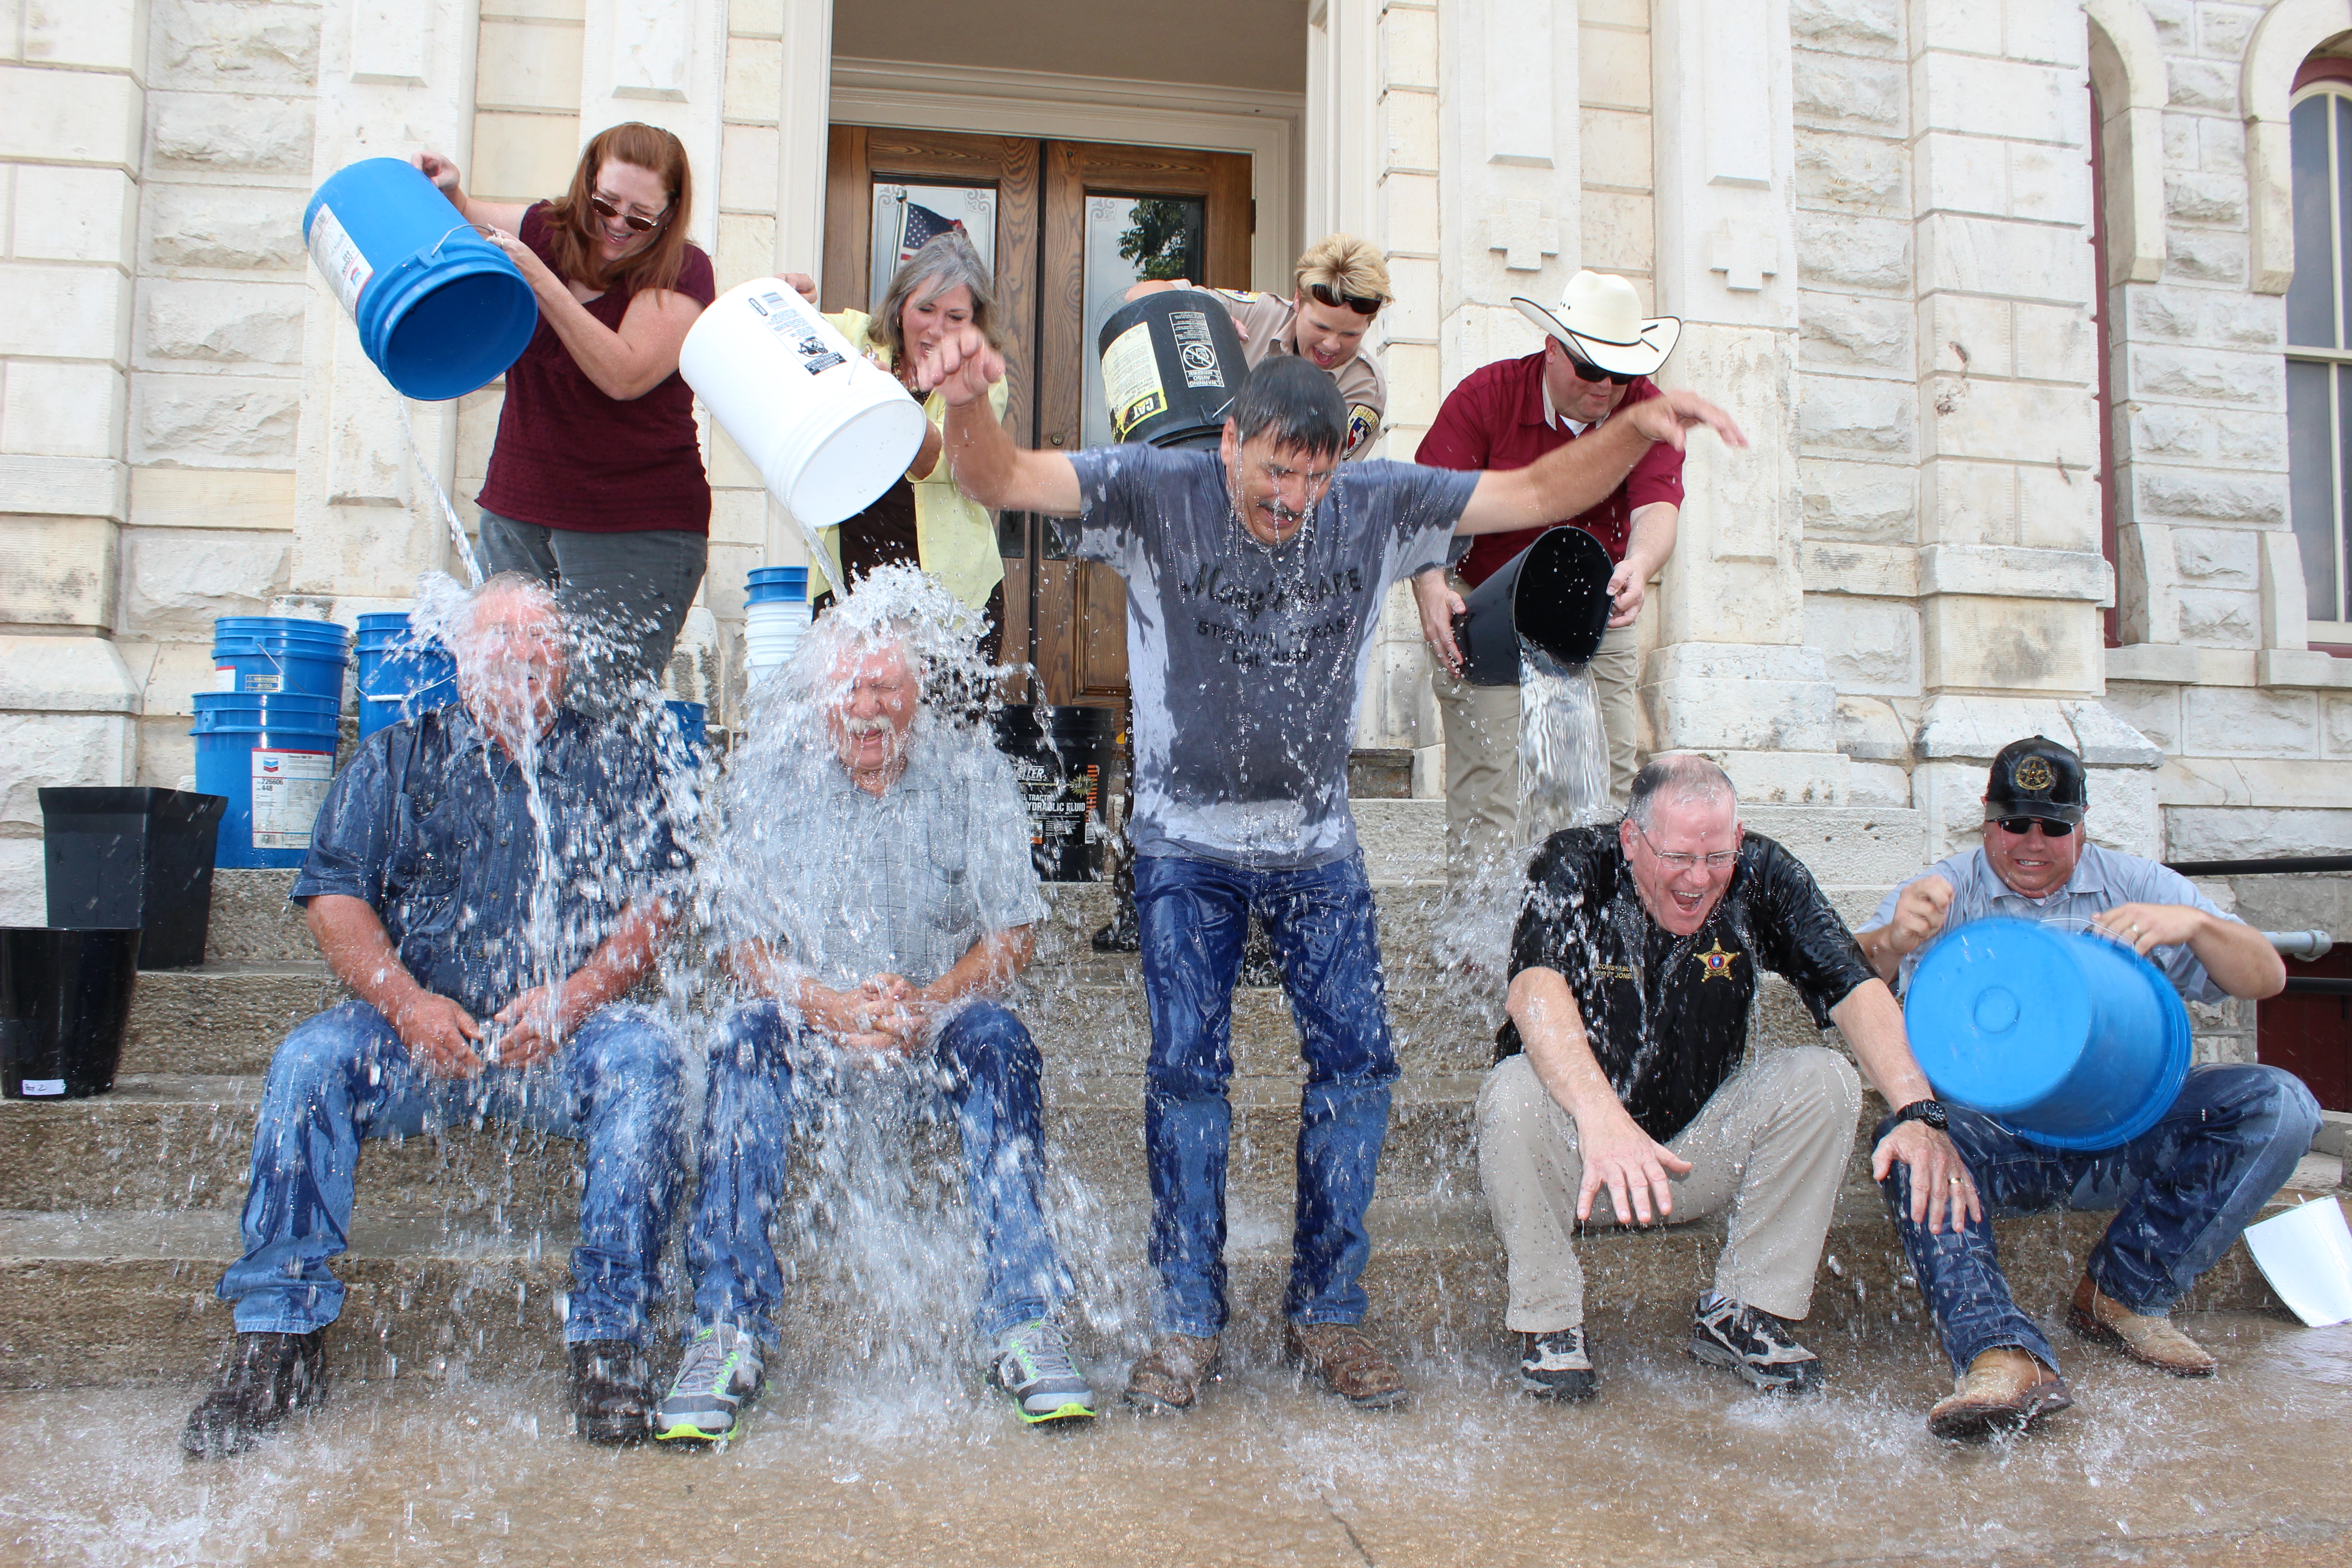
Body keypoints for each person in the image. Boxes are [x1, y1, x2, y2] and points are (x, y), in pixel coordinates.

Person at [919, 315, 1748, 1411]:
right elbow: (1002, 477)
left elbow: (1535, 493)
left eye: (1312, 476)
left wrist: (1638, 425)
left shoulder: (1372, 504)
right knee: (1185, 1077)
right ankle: (1184, 1319)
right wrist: (970, 399)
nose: (1291, 498)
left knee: (1357, 1066)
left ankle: (1326, 1309)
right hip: (1182, 845)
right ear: (1230, 443)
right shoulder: (1154, 492)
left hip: (1317, 846)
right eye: (1273, 470)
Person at [181, 574, 691, 1458]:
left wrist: (574, 1000)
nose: (524, 657)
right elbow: (334, 899)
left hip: (559, 1045)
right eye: (502, 639)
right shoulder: (393, 757)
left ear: (567, 664)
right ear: (458, 654)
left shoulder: (614, 763)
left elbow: (658, 903)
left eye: (543, 642)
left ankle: (611, 1338)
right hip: (414, 1042)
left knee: (648, 1058)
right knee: (308, 1061)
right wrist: (408, 1005)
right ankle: (279, 1339)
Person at [654, 589, 1093, 1442]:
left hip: (933, 1026)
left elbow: (1011, 936)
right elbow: (742, 947)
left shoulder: (973, 773)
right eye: (849, 691)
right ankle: (727, 1327)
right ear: (821, 696)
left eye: (886, 689)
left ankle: (1024, 1320)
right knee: (743, 1037)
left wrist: (923, 1008)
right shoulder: (770, 780)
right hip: (813, 1029)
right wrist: (832, 1009)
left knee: (1000, 1042)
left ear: (918, 690)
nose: (867, 710)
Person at [1855, 735, 2318, 1441]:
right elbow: (1847, 981)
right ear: (1987, 819)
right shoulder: (1946, 888)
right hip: (1997, 1142)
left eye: (2054, 827)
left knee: (2279, 1104)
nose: (2032, 844)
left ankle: (2125, 1293)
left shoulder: (2139, 885)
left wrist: (2195, 925)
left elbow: (2266, 980)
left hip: (2123, 1133)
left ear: (2083, 823)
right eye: (2015, 824)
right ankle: (1999, 1354)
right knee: (1906, 1145)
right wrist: (1891, 939)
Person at [1480, 755, 1978, 1403]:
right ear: (1632, 840)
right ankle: (1550, 1323)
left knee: (1826, 1078)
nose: (1698, 879)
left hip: (1688, 1165)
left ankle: (1744, 1311)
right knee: (1513, 1090)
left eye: (1716, 857)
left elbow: (1852, 984)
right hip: (1577, 1164)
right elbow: (1532, 991)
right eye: (1678, 857)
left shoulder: (1764, 875)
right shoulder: (1575, 862)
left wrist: (1920, 1114)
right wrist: (1602, 1119)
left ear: (1738, 841)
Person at [414, 123, 716, 706]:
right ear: (586, 186)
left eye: (641, 217)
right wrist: (447, 189)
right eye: (606, 204)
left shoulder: (684, 271)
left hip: (635, 526)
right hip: (518, 512)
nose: (618, 226)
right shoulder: (544, 232)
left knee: (600, 715)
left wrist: (537, 276)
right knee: (499, 700)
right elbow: (464, 213)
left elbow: (623, 374)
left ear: (670, 213)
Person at [1412, 270, 1686, 884]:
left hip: (1596, 607)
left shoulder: (1645, 408)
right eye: (1592, 371)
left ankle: (1596, 930)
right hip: (1483, 607)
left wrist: (1639, 566)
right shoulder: (1485, 398)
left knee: (1609, 784)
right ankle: (1477, 945)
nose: (1607, 389)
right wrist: (1432, 585)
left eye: (1621, 375)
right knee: (1491, 789)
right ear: (1553, 350)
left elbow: (1656, 511)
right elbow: (1423, 508)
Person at [812, 232, 1014, 660]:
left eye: (956, 317)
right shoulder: (853, 337)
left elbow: (936, 464)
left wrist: (888, 401)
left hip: (954, 604)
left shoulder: (982, 382)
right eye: (926, 309)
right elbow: (784, 340)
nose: (937, 329)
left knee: (949, 728)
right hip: (848, 595)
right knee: (846, 724)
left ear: (974, 325)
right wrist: (788, 298)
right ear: (901, 307)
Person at [1125, 231, 1392, 461]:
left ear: (1368, 324)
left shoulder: (1364, 388)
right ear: (1298, 300)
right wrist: (1205, 318)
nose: (1332, 344)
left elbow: (1313, 472)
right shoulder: (1258, 312)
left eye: (1350, 334)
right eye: (1321, 327)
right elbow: (1138, 295)